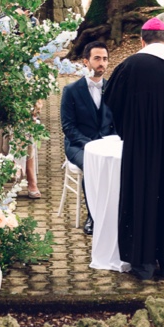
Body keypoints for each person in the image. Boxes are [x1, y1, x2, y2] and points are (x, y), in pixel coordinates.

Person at [103, 19, 164, 280]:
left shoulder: (130, 66)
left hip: (140, 150)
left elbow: (113, 103)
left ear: (142, 40)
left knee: (141, 196)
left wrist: (130, 132)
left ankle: (143, 264)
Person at [60, 42, 112, 235]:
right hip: (78, 145)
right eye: (97, 58)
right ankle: (93, 216)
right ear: (85, 62)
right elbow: (68, 127)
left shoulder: (113, 89)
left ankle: (115, 214)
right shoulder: (71, 90)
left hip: (107, 143)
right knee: (92, 165)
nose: (101, 63)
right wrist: (90, 145)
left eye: (105, 59)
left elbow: (119, 122)